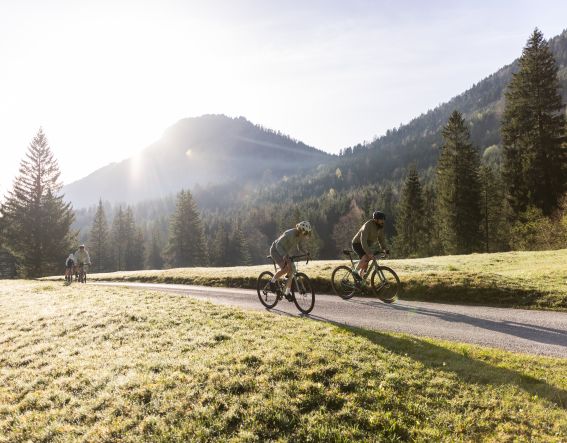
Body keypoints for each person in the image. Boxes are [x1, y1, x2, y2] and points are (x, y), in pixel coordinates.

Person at [269, 221, 312, 299]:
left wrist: (306, 253)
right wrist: (284, 255)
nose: (306, 236)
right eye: (305, 233)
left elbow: (300, 246)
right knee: (286, 269)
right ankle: (272, 282)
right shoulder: (289, 234)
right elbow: (278, 245)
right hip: (275, 251)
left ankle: (287, 293)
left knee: (292, 271)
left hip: (284, 252)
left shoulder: (299, 236)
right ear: (301, 230)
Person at [351, 211, 389, 279]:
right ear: (376, 219)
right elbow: (363, 241)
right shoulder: (367, 225)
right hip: (357, 243)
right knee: (366, 257)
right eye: (381, 220)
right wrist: (369, 253)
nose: (383, 221)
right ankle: (355, 272)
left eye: (384, 220)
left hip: (367, 244)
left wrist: (385, 249)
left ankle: (360, 280)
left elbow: (381, 240)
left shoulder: (380, 227)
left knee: (366, 262)